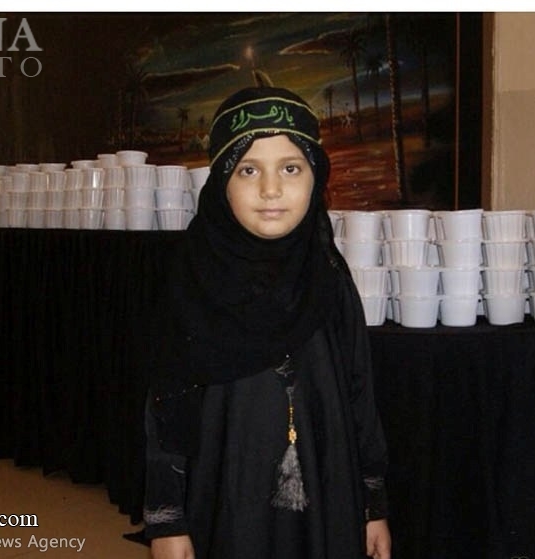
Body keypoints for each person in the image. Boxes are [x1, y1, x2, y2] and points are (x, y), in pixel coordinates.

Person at [142, 86, 391, 559]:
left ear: (315, 176)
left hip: (328, 491)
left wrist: (372, 505)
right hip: (226, 494)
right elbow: (166, 409)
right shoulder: (190, 283)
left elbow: (361, 395)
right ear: (222, 181)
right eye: (248, 169)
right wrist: (167, 521)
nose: (271, 189)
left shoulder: (329, 278)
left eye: (290, 168)